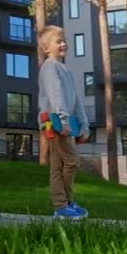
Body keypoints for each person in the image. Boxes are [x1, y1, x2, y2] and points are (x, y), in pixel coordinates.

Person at [37, 25, 90, 220]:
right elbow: (55, 94)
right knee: (72, 161)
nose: (63, 44)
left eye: (64, 41)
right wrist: (64, 120)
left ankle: (62, 206)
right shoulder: (49, 67)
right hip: (54, 122)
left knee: (58, 166)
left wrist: (84, 125)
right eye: (58, 41)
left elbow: (76, 100)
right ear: (46, 48)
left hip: (62, 121)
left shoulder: (64, 69)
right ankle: (64, 203)